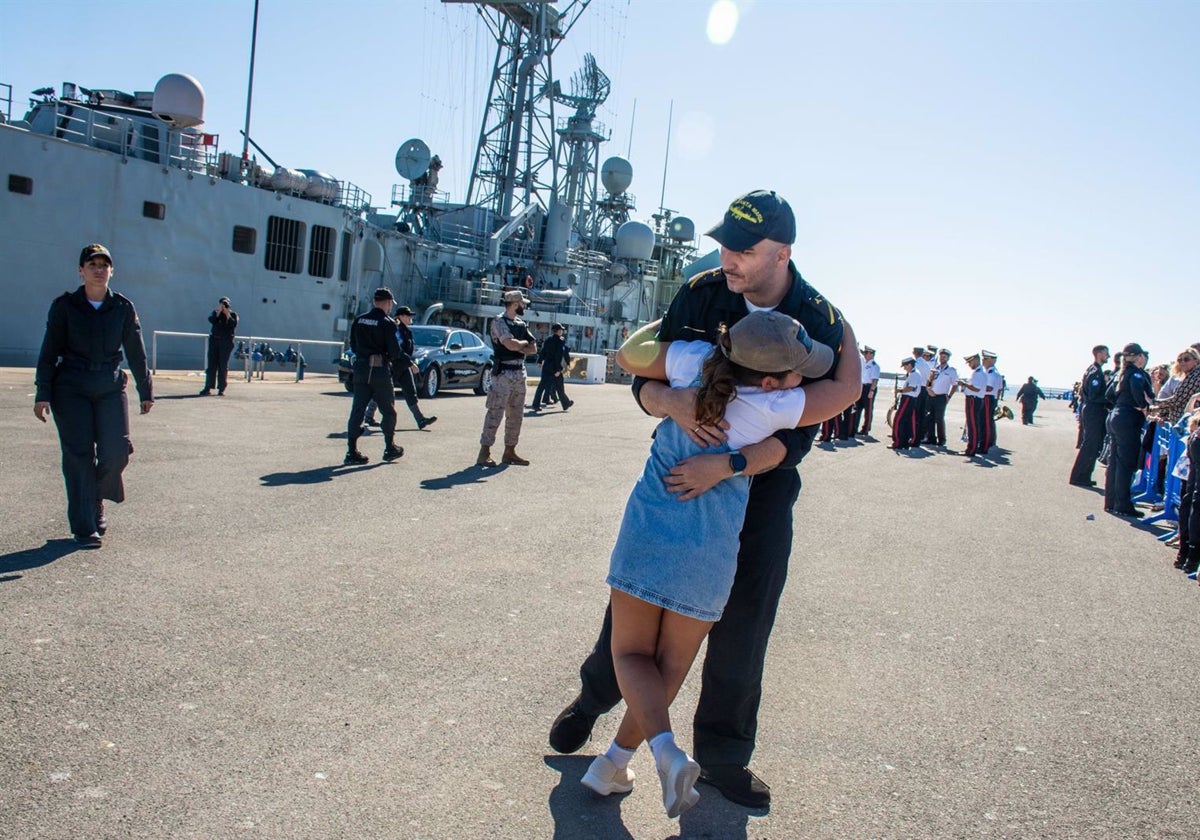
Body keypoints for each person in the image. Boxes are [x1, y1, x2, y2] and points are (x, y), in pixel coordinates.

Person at [549, 189, 859, 808]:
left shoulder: (815, 318)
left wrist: (732, 462)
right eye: (725, 242)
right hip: (681, 469)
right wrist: (670, 402)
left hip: (759, 488)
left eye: (745, 248)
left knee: (744, 627)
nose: (729, 257)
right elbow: (647, 377)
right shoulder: (701, 292)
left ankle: (722, 757)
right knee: (633, 617)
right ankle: (593, 700)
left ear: (783, 254)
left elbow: (801, 434)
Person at [582, 311, 853, 817]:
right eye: (798, 369)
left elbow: (627, 355)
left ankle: (658, 752)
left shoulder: (692, 361)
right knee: (670, 666)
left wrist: (669, 316)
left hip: (648, 528)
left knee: (630, 656)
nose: (803, 376)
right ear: (773, 380)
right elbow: (847, 389)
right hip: (709, 548)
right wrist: (845, 327)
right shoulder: (777, 405)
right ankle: (615, 763)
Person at [34, 244, 154, 548]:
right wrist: (42, 392)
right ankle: (85, 525)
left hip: (110, 384)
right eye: (92, 264)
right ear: (80, 270)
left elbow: (136, 353)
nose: (98, 269)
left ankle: (97, 495)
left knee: (116, 452)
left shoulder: (123, 308)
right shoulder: (64, 306)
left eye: (104, 264)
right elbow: (49, 351)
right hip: (71, 386)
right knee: (79, 456)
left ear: (111, 270)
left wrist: (146, 389)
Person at [344, 288, 404, 465]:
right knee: (388, 411)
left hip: (361, 369)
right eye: (390, 305)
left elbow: (353, 345)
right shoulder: (388, 323)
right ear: (386, 303)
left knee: (357, 410)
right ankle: (389, 448)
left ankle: (351, 451)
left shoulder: (359, 320)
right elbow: (395, 350)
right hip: (379, 371)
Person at [477, 289, 537, 466]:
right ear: (515, 304)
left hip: (519, 371)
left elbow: (533, 348)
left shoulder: (520, 324)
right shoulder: (499, 322)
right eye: (522, 303)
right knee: (495, 412)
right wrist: (521, 345)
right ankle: (484, 452)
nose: (524, 306)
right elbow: (509, 344)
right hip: (503, 374)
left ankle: (509, 451)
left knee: (516, 415)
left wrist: (521, 345)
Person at [1104, 342, 1154, 517]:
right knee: (1126, 464)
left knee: (1115, 463)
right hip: (1128, 419)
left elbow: (1108, 395)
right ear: (1139, 357)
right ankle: (1122, 504)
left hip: (1116, 415)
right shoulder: (1137, 374)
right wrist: (1142, 406)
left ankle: (1111, 502)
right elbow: (1140, 394)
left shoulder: (1120, 373)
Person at [1069, 344, 1111, 487]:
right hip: (1093, 410)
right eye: (1106, 353)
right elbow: (1093, 395)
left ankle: (1085, 475)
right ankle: (1079, 476)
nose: (1108, 356)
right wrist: (1109, 399)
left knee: (1093, 445)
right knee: (1089, 444)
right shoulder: (1095, 372)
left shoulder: (1096, 370)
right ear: (1099, 354)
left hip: (1093, 410)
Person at [393, 305, 437, 430]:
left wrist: (410, 363)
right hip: (394, 365)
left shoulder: (407, 330)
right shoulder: (396, 330)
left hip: (404, 366)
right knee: (382, 392)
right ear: (401, 317)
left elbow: (409, 349)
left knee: (410, 392)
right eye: (408, 315)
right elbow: (398, 350)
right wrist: (410, 363)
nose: (410, 317)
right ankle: (368, 416)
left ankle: (420, 420)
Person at [199, 296, 238, 396]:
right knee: (211, 365)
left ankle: (221, 388)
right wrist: (219, 312)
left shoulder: (233, 314)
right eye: (222, 303)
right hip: (215, 341)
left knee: (223, 365)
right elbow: (212, 320)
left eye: (226, 304)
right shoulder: (216, 313)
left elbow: (233, 324)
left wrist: (227, 313)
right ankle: (207, 387)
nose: (224, 305)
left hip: (226, 342)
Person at [531, 323, 573, 411]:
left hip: (546, 366)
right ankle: (565, 403)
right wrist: (559, 369)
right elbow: (558, 356)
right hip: (555, 367)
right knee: (559, 387)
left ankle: (535, 404)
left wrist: (539, 361)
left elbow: (543, 351)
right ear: (557, 331)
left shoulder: (548, 339)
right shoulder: (560, 341)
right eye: (561, 330)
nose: (562, 331)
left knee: (541, 386)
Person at [924, 348, 958, 446]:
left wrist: (949, 396)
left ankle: (942, 439)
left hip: (941, 397)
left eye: (944, 357)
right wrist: (928, 389)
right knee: (929, 417)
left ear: (948, 358)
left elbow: (955, 385)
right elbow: (929, 381)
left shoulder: (951, 371)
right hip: (931, 395)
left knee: (939, 418)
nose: (942, 358)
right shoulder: (935, 369)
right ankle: (931, 438)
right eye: (941, 356)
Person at [888, 357, 921, 450]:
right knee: (905, 421)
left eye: (905, 366)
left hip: (908, 398)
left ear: (910, 365)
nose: (904, 368)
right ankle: (904, 442)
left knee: (898, 419)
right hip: (908, 398)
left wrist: (899, 390)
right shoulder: (912, 374)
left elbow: (911, 388)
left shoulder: (914, 375)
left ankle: (897, 442)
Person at [958, 352, 987, 457]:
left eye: (970, 362)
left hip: (974, 400)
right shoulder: (978, 372)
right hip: (973, 399)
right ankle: (972, 447)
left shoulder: (978, 373)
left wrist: (964, 384)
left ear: (975, 360)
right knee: (972, 424)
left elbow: (976, 388)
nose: (969, 365)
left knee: (973, 425)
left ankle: (971, 449)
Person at [853, 345, 880, 436]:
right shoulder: (863, 362)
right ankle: (854, 428)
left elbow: (875, 380)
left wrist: (872, 390)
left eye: (866, 353)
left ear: (871, 354)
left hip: (869, 387)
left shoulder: (874, 366)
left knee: (868, 409)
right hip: (861, 386)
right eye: (864, 353)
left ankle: (866, 429)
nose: (864, 354)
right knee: (857, 407)